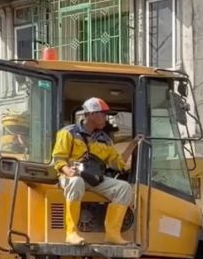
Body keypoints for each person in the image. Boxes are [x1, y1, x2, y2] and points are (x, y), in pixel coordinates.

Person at [50, 97, 143, 246]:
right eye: (103, 113)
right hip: (71, 178)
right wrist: (68, 171)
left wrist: (133, 144)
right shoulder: (68, 133)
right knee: (76, 182)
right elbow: (58, 159)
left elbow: (118, 164)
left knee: (124, 188)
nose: (106, 117)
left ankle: (112, 234)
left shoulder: (105, 139)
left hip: (93, 178)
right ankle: (71, 233)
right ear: (91, 114)